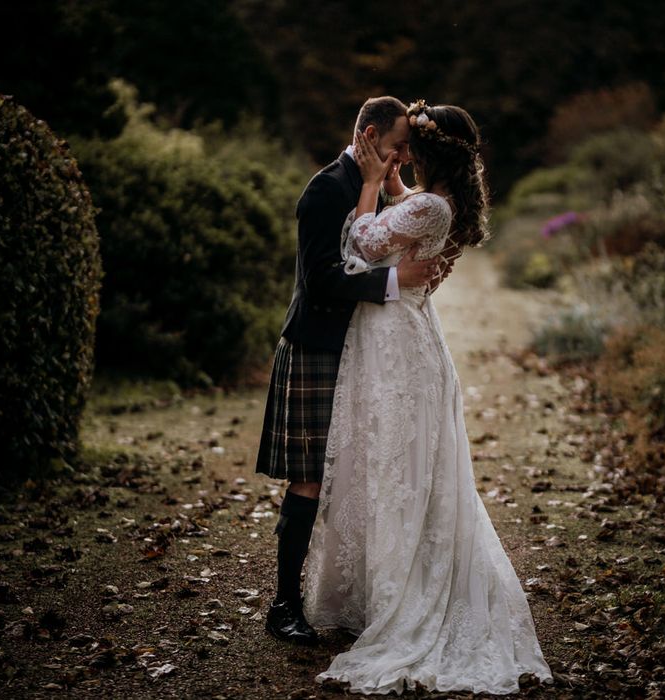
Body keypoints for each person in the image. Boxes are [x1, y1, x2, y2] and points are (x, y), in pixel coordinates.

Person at [303, 100, 553, 694]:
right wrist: (392, 188)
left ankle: (401, 598)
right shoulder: (435, 205)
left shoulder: (428, 206)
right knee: (386, 462)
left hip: (396, 346)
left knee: (395, 464)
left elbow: (362, 246)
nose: (401, 156)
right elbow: (399, 233)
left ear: (429, 156)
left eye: (410, 150)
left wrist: (369, 185)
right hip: (398, 337)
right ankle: (377, 586)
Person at [255, 96, 444, 646]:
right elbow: (320, 280)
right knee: (311, 478)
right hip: (319, 347)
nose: (404, 157)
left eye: (408, 149)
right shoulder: (326, 189)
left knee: (360, 479)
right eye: (396, 147)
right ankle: (284, 604)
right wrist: (395, 283)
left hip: (368, 353)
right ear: (366, 138)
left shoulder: (381, 190)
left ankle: (356, 597)